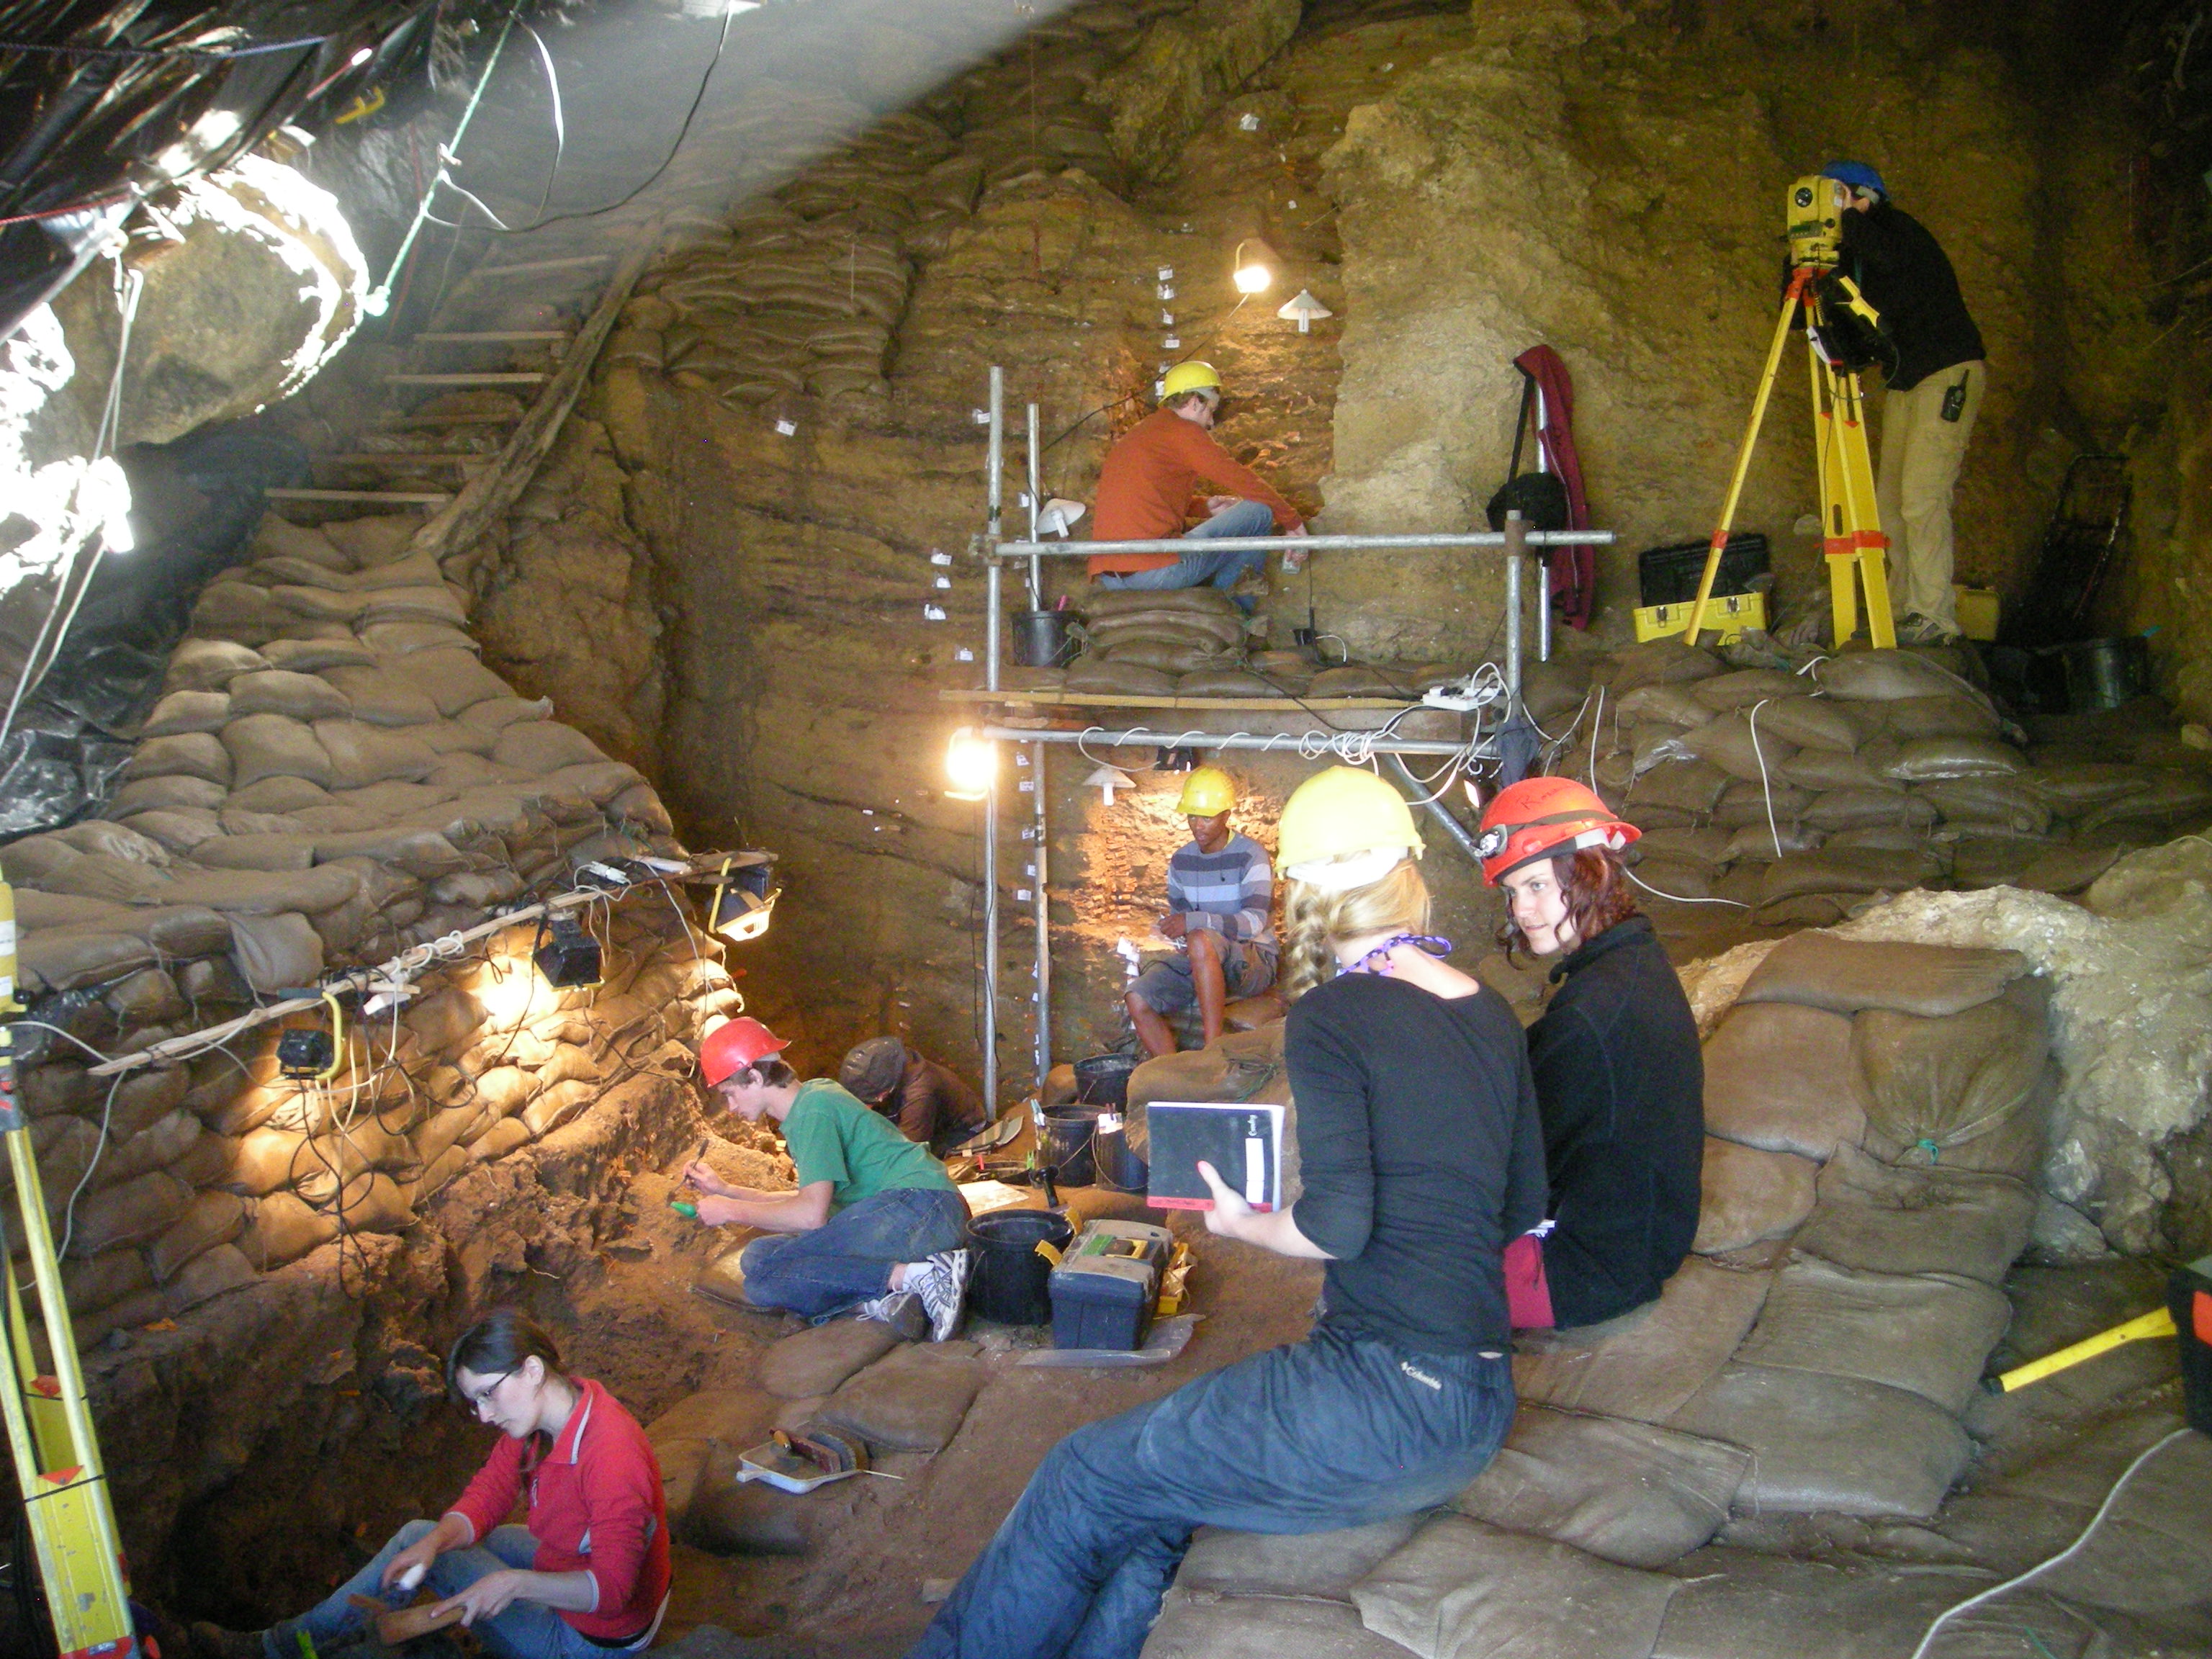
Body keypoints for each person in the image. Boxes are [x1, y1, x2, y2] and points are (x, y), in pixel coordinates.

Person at [910, 766, 1544, 1659]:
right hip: (1475, 1404)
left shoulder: (1333, 1015)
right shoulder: (1491, 1015)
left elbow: (1338, 1226)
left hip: (1376, 1399)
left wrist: (1243, 1219)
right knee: (1159, 1500)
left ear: (1311, 887)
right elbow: (1519, 1205)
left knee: (1084, 1471)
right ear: (1408, 867)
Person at [193, 1311, 670, 1659]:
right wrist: (439, 1541)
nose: (484, 1414)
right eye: (474, 1402)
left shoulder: (611, 1458)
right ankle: (319, 1634)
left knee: (456, 1557)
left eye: (488, 1394)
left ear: (532, 1369)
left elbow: (610, 1590)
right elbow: (492, 1490)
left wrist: (513, 1584)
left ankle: (279, 1648)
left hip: (594, 1639)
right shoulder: (549, 1414)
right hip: (572, 1558)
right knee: (428, 1538)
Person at [1476, 777, 1704, 1331]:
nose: (1521, 909)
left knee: (1386, 1265)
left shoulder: (1591, 1014)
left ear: (1591, 871)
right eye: (1511, 892)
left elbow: (1520, 1167)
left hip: (1585, 1269)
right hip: (1640, 1239)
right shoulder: (1634, 962)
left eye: (1534, 885)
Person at [683, 1016, 974, 1341]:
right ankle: (889, 1296)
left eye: (730, 1093)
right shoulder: (813, 1100)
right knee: (759, 1255)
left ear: (753, 1076)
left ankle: (924, 1277)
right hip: (916, 1212)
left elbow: (810, 1216)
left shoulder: (813, 1112)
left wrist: (729, 1211)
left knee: (764, 1280)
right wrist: (727, 1191)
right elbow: (807, 1203)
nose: (731, 1107)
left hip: (923, 1209)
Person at [1824, 160, 1987, 646]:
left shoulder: (1897, 230)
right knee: (1890, 504)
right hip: (1905, 379)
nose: (1831, 207)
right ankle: (1898, 607)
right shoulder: (1853, 253)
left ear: (1865, 196)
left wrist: (1848, 218)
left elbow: (1890, 258)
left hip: (1946, 371)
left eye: (1837, 194)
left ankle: (1935, 616)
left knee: (1922, 497)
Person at [1087, 361, 1309, 595]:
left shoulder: (1144, 433)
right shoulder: (1183, 431)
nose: (1211, 422)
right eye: (1211, 411)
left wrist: (1205, 507)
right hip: (1155, 572)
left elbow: (1148, 498)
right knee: (1259, 512)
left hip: (1111, 577)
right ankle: (1235, 612)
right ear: (1195, 403)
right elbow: (1241, 479)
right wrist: (1292, 521)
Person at [1124, 765, 1277, 1058]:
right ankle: (1174, 1073)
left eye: (1206, 817)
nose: (1197, 825)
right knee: (1137, 997)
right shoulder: (1182, 860)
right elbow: (1182, 920)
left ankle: (1211, 1052)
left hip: (1253, 961)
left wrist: (1193, 924)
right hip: (1203, 958)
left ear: (1226, 816)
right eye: (1192, 816)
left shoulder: (1251, 854)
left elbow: (1254, 923)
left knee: (1199, 939)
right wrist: (1170, 931)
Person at [839, 1035, 988, 1158]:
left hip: (961, 1129)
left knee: (915, 1163)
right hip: (924, 1119)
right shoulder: (894, 1065)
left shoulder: (920, 1094)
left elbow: (908, 1150)